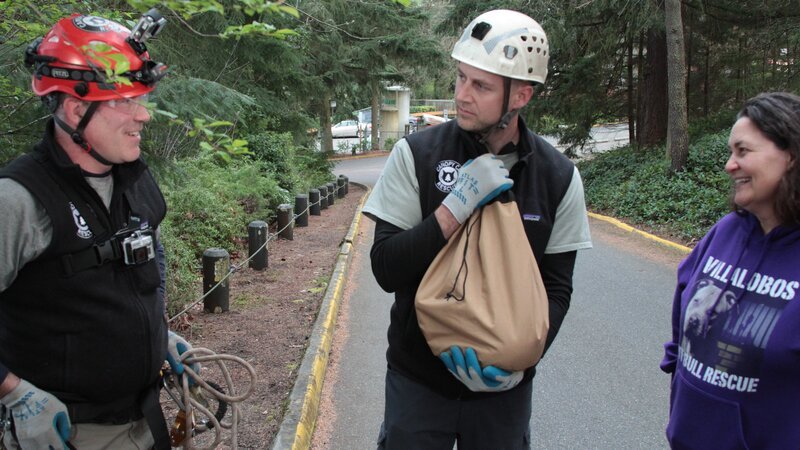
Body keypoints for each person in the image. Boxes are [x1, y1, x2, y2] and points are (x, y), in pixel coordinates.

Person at [362, 9, 592, 449]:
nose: (463, 95)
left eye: (481, 85)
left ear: (521, 95)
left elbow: (556, 288)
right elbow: (385, 268)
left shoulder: (558, 177)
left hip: (504, 397)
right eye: (461, 78)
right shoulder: (416, 155)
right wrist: (455, 207)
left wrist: (521, 363)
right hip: (418, 382)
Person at [0, 11, 191, 450]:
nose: (143, 116)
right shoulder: (20, 200)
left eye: (141, 99)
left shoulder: (134, 180)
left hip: (145, 421)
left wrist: (161, 336)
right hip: (68, 434)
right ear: (75, 108)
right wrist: (14, 393)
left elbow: (147, 267)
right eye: (125, 101)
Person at [660, 92, 800, 448]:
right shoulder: (725, 232)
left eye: (743, 151)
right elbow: (682, 317)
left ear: (791, 156)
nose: (729, 164)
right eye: (730, 152)